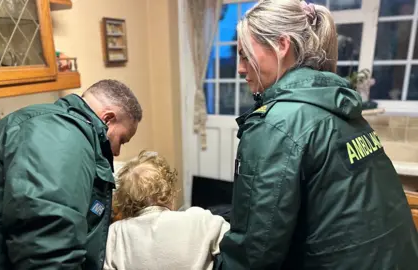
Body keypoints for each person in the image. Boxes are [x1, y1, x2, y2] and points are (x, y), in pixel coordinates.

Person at [216, 1, 418, 269]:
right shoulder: (342, 109)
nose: (241, 68)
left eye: (245, 55)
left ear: (281, 45)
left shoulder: (278, 124)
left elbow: (253, 253)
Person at [0, 80, 142, 270]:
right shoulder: (60, 134)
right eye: (122, 140)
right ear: (107, 118)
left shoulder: (58, 126)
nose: (117, 152)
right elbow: (48, 241)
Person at [104, 151, 230, 270]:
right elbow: (236, 242)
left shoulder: (116, 233)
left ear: (125, 203)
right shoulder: (200, 220)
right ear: (169, 194)